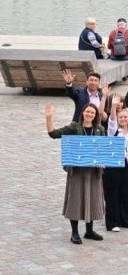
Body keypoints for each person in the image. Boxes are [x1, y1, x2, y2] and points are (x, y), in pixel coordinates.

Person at [45, 102, 106, 244]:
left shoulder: (100, 129)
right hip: (77, 172)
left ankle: (89, 231)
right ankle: (75, 233)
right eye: (87, 112)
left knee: (91, 199)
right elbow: (53, 134)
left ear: (95, 115)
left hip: (93, 172)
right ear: (83, 113)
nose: (89, 114)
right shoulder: (74, 127)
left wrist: (103, 161)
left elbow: (103, 150)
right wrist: (49, 118)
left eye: (92, 112)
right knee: (76, 200)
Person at [104, 108, 128, 232]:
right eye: (121, 117)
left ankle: (125, 219)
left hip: (127, 166)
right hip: (113, 165)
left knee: (125, 193)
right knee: (112, 194)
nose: (123, 119)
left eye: (125, 117)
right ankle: (112, 222)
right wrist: (113, 107)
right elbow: (112, 121)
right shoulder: (113, 131)